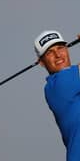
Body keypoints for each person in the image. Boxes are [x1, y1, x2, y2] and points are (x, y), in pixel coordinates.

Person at [34, 30, 80, 161]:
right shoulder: (59, 83)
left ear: (67, 49)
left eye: (60, 48)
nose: (57, 55)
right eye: (49, 52)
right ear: (41, 62)